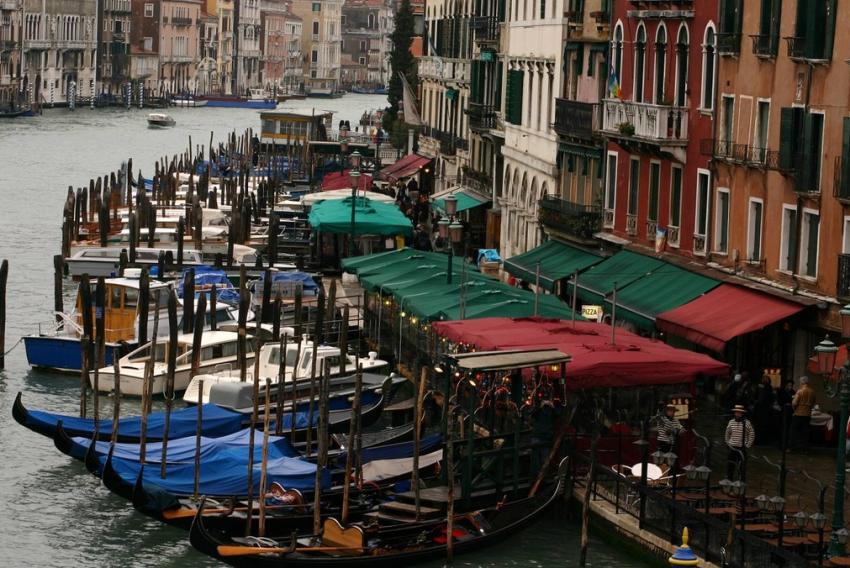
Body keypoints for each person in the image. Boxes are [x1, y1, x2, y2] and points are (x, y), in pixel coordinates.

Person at [725, 405, 755, 479]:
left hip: (742, 448)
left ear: (742, 413)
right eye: (736, 412)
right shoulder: (731, 422)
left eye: (739, 413)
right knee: (730, 465)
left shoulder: (747, 423)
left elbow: (751, 434)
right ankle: (729, 479)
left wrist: (747, 445)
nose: (737, 414)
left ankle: (741, 480)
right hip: (732, 447)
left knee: (742, 466)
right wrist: (728, 443)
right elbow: (727, 433)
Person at [791, 376, 816, 451]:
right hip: (807, 414)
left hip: (798, 414)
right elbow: (813, 403)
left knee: (793, 431)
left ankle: (792, 447)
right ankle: (805, 449)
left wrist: (794, 409)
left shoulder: (800, 391)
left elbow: (794, 403)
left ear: (802, 382)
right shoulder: (812, 392)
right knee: (805, 432)